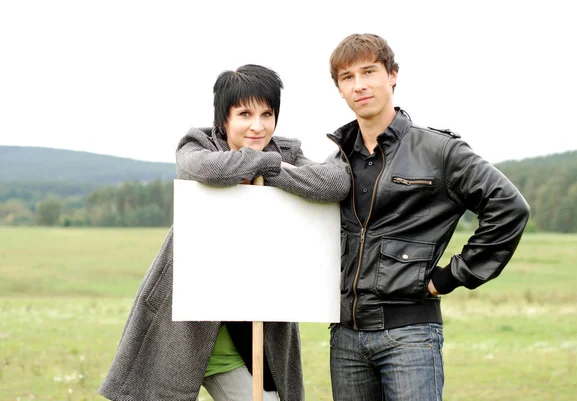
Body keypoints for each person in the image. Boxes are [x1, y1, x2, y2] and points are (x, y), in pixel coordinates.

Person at [98, 64, 350, 401]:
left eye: (267, 113)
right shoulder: (198, 144)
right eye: (245, 113)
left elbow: (335, 182)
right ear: (224, 119)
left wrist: (269, 168)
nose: (257, 125)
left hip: (248, 335)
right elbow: (203, 169)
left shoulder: (286, 150)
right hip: (180, 330)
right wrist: (266, 163)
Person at [325, 34, 530, 401]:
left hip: (410, 336)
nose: (359, 85)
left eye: (369, 71)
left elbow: (508, 207)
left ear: (393, 75)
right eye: (347, 77)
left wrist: (450, 277)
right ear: (339, 89)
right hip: (345, 339)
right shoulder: (335, 164)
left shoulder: (439, 152)